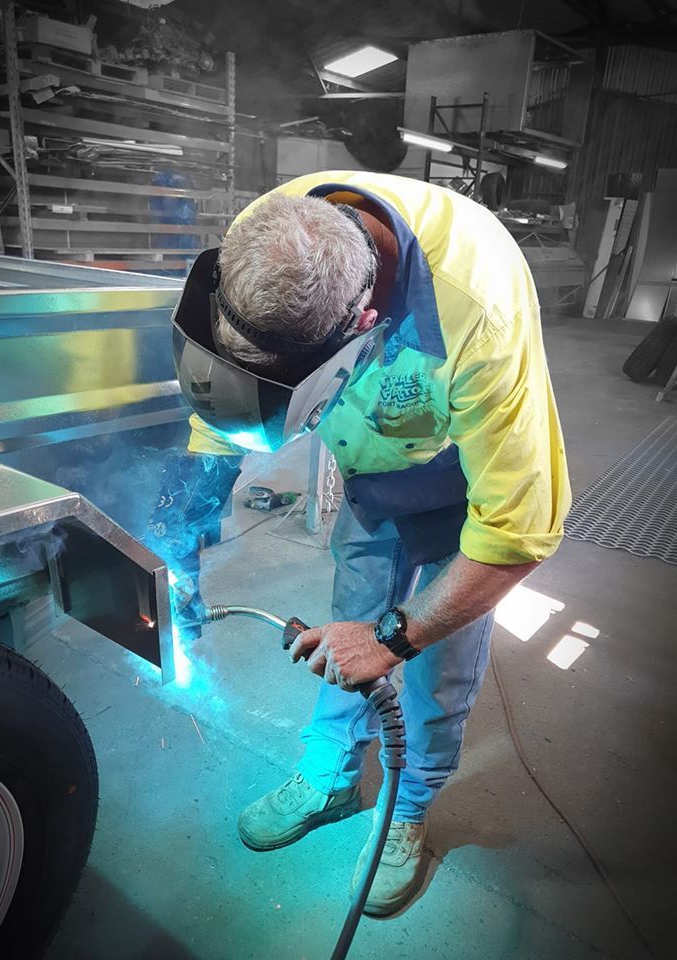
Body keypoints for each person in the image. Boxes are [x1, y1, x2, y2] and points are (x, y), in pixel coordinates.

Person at [171, 171, 572, 917]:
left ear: (367, 324)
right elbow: (218, 400)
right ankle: (328, 778)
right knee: (340, 639)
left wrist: (397, 635)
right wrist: (181, 544)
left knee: (433, 662)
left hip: (459, 493)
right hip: (369, 479)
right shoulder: (273, 234)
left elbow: (517, 530)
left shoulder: (478, 309)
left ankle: (408, 807)